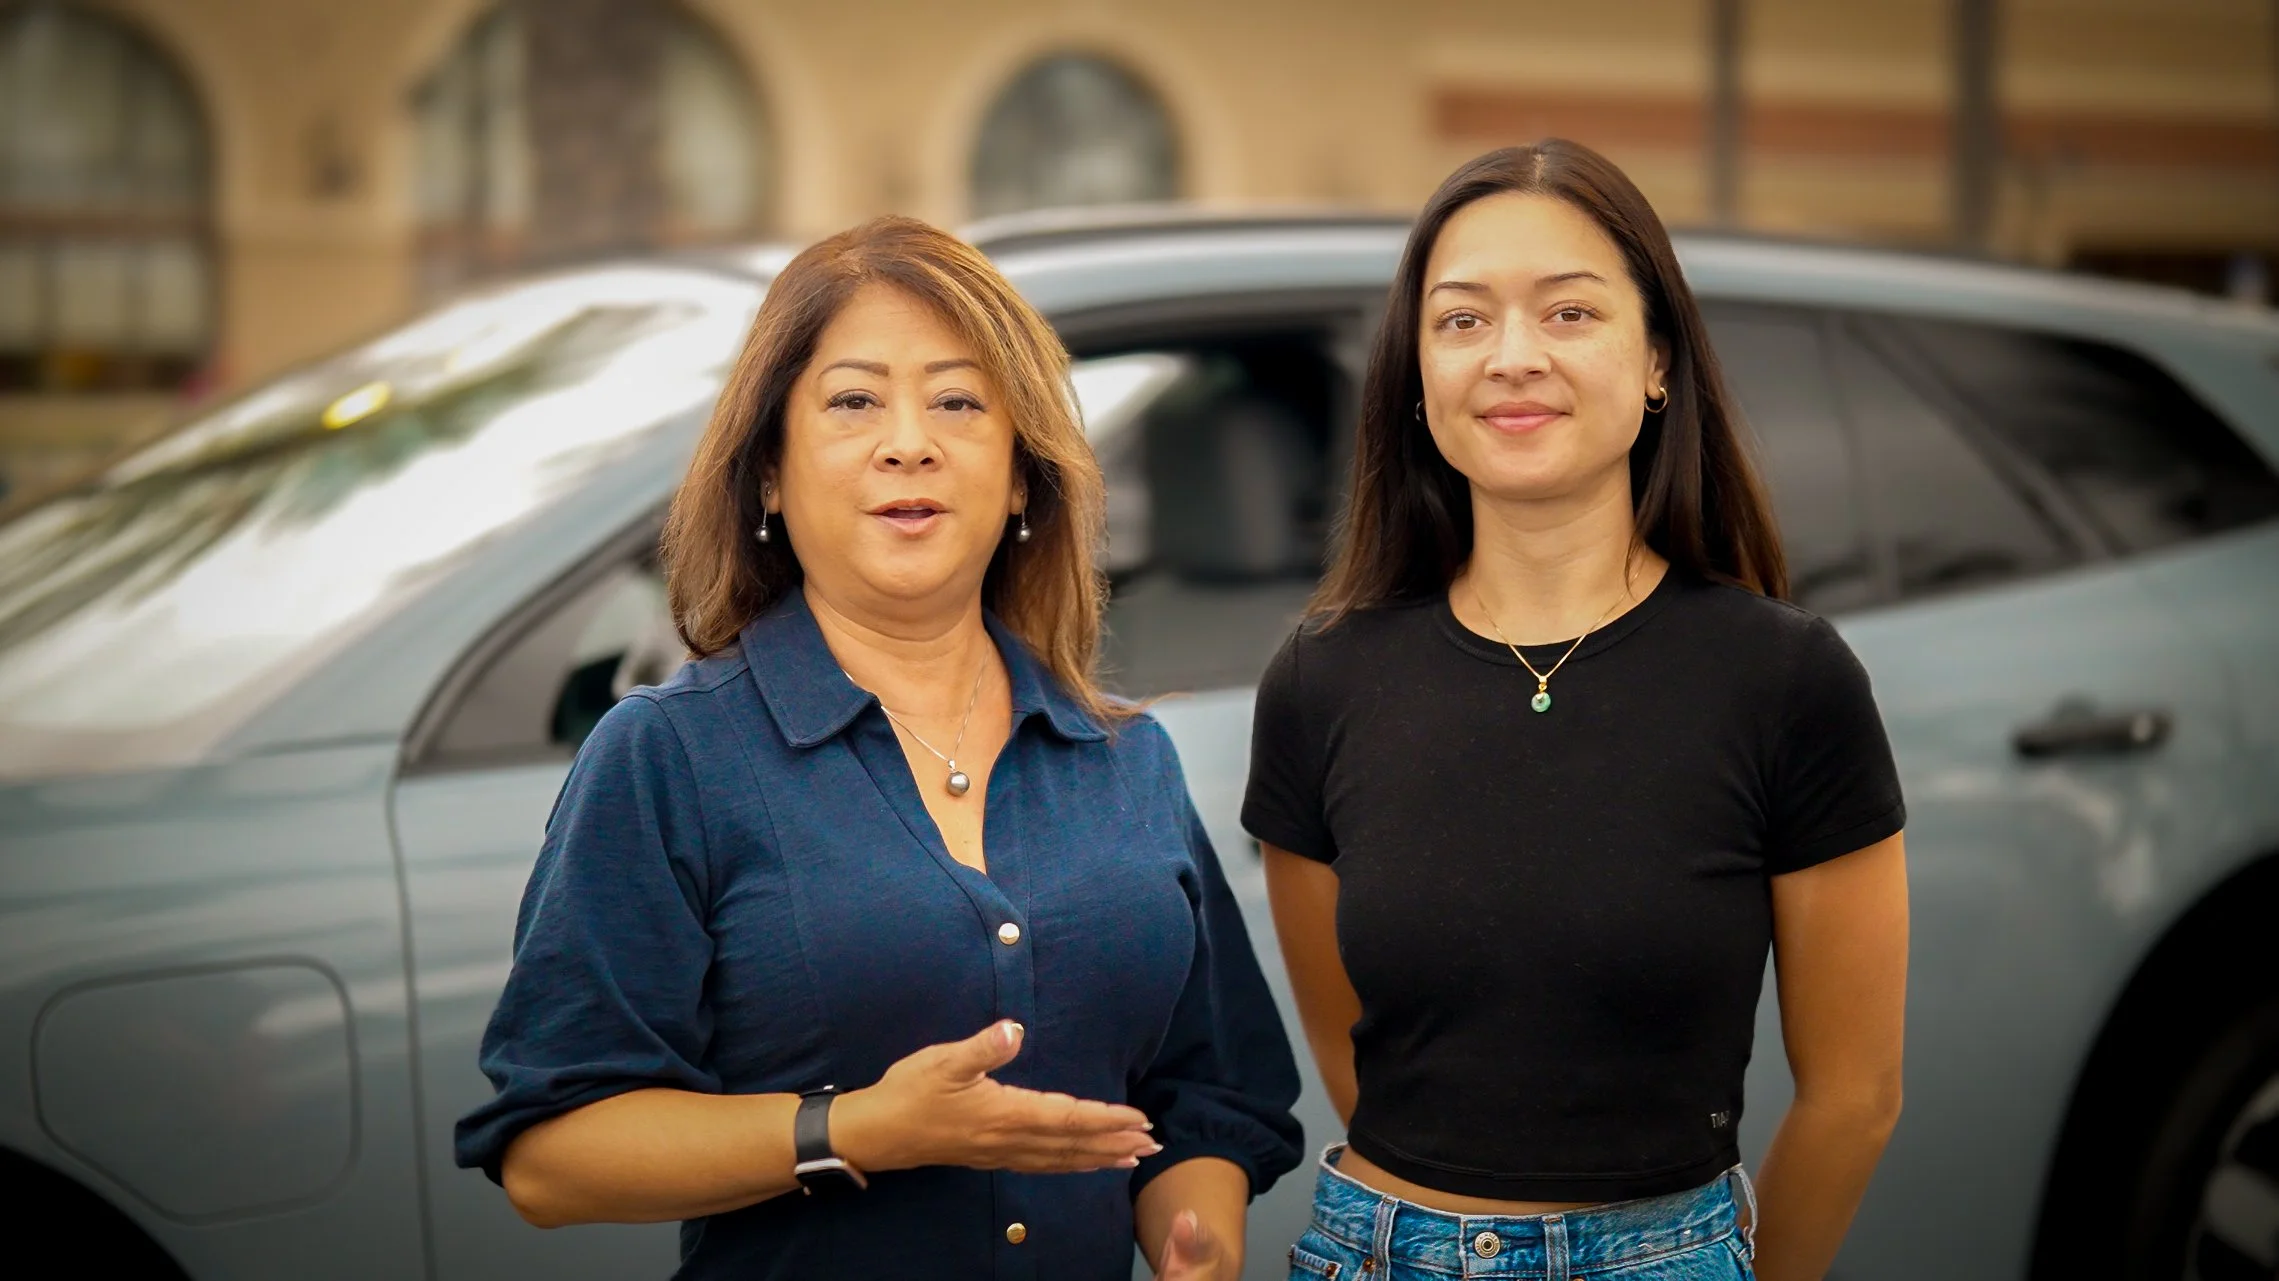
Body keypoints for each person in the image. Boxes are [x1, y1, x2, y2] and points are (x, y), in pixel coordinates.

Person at [457, 216, 1303, 1281]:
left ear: (1017, 479)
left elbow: (1205, 1094)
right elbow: (551, 1157)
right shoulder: (666, 759)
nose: (909, 441)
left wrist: (1197, 1243)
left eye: (957, 402)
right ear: (767, 473)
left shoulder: (1126, 761)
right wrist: (850, 1130)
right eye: (853, 401)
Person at [1245, 141, 1908, 1281]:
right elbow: (1368, 1065)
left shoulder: (1783, 681)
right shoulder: (1319, 680)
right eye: (1460, 321)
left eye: (1567, 314)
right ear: (1413, 377)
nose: (1510, 358)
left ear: (1655, 359)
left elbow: (1853, 1096)